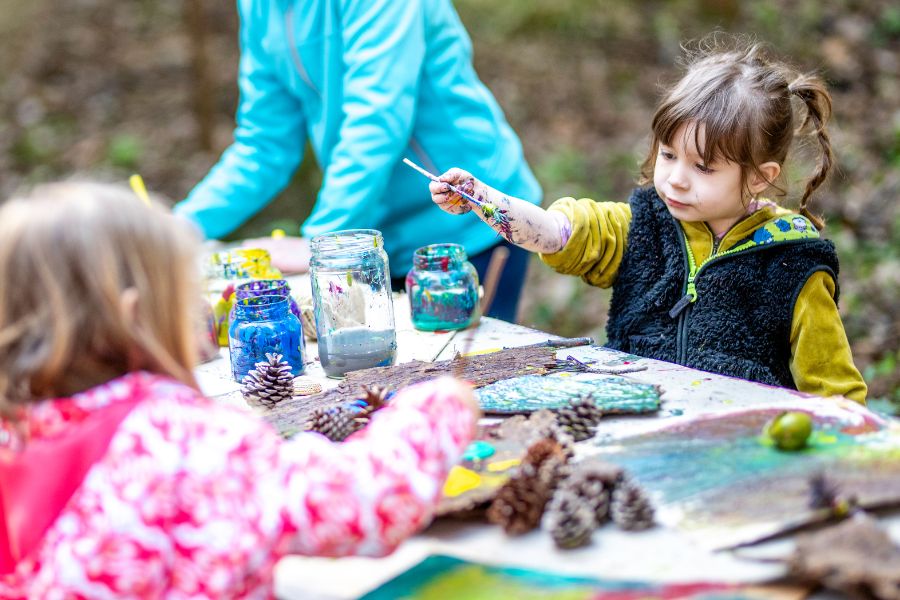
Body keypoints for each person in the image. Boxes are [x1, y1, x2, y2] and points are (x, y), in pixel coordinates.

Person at [0, 182, 479, 596]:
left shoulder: (13, 438)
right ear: (134, 319)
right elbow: (366, 502)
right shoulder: (183, 444)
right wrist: (438, 406)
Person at [428, 38, 867, 403]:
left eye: (703, 168)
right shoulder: (641, 226)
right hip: (635, 434)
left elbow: (837, 395)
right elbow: (556, 233)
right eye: (669, 155)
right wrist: (481, 198)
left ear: (758, 177)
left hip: (733, 453)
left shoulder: (793, 264)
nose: (675, 180)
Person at [174, 0, 542, 323]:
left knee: (466, 386)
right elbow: (264, 143)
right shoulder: (259, 6)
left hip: (464, 222)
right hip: (371, 233)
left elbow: (378, 118)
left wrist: (321, 241)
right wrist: (180, 227)